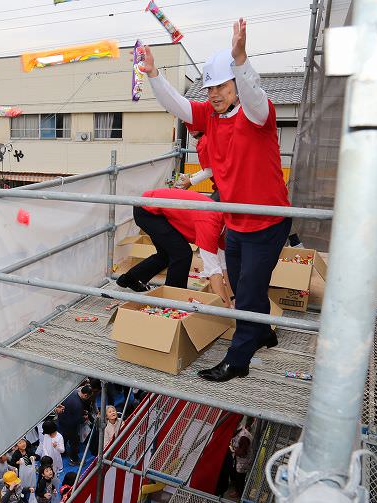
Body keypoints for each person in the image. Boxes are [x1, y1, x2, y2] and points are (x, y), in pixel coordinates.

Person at [140, 19, 289, 382]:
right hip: (236, 222)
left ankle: (238, 361)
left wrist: (241, 60)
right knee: (243, 287)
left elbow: (254, 97)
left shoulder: (259, 114)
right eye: (209, 89)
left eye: (221, 86)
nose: (214, 94)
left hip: (267, 222)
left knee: (250, 290)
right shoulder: (211, 115)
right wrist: (155, 75)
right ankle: (263, 332)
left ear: (236, 85)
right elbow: (179, 106)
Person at [115, 188, 233, 306]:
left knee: (166, 255)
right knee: (182, 254)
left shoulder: (224, 225)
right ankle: (172, 301)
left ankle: (129, 279)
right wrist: (225, 306)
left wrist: (233, 297)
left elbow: (224, 266)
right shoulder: (210, 225)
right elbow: (213, 271)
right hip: (147, 210)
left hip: (155, 207)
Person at [176, 128, 219, 201]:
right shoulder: (205, 139)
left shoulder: (204, 142)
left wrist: (191, 181)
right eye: (188, 126)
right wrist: (191, 177)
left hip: (225, 186)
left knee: (211, 209)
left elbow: (210, 171)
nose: (190, 129)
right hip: (224, 184)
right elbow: (209, 169)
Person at [217, 418, 255, 497]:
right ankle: (235, 484)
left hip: (244, 460)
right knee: (234, 472)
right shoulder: (240, 432)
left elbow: (243, 453)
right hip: (239, 458)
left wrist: (233, 450)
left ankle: (239, 492)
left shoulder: (243, 437)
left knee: (240, 476)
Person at [57, 386, 92, 466]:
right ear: (86, 395)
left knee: (64, 438)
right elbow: (77, 420)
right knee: (74, 442)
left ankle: (62, 452)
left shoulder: (73, 392)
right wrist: (84, 418)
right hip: (70, 425)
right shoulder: (78, 405)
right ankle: (74, 459)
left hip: (62, 420)